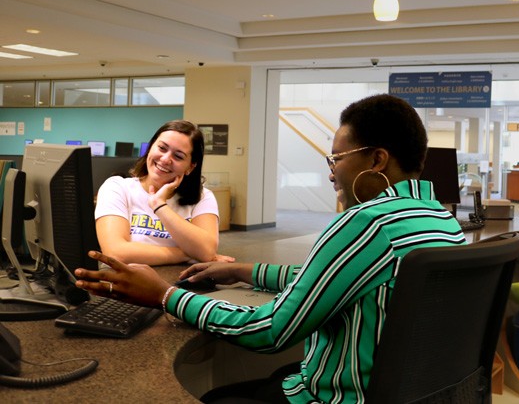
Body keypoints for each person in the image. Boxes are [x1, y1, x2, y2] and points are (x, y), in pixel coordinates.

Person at [75, 94, 466, 403]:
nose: (332, 171)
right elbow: (332, 279)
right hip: (408, 391)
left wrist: (166, 295)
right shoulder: (439, 219)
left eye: (337, 158)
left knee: (218, 395)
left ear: (377, 160)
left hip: (338, 397)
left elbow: (271, 331)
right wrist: (246, 270)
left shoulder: (366, 223)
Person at [94, 119, 233, 265]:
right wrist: (188, 254)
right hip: (128, 284)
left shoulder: (203, 197)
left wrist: (159, 205)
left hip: (181, 284)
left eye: (178, 156)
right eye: (162, 148)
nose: (166, 159)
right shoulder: (117, 187)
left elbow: (207, 250)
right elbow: (115, 253)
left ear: (190, 167)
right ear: (150, 147)